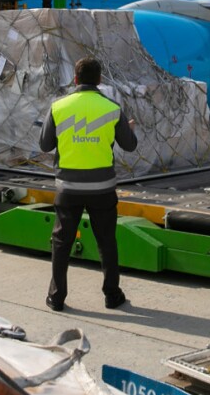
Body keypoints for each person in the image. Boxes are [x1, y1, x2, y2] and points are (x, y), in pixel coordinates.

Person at [39, 57, 137, 311]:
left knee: (62, 243)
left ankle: (57, 297)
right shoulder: (111, 108)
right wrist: (128, 129)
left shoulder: (58, 107)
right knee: (106, 242)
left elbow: (44, 145)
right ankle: (112, 295)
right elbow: (130, 145)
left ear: (75, 79)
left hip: (68, 188)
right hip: (102, 188)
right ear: (100, 80)